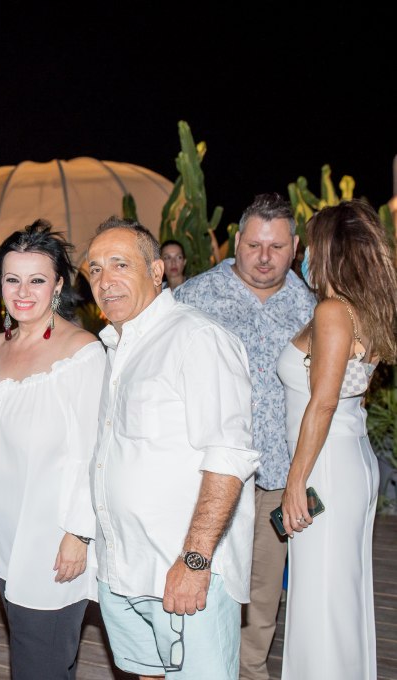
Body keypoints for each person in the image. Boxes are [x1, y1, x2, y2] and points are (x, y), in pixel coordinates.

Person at [86, 216, 260, 680]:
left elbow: (228, 456)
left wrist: (195, 561)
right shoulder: (115, 348)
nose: (105, 280)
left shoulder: (197, 338)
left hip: (182, 570)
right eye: (95, 269)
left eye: (120, 264)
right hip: (123, 569)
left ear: (157, 271)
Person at [172, 192, 315, 680]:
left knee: (262, 593)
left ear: (294, 247)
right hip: (208, 476)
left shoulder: (309, 306)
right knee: (203, 582)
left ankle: (251, 671)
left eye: (277, 247)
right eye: (254, 245)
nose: (264, 257)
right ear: (236, 242)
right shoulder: (194, 297)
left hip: (276, 477)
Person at [0, 219, 103, 679]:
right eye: (12, 279)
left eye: (37, 280)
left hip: (52, 543)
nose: (23, 292)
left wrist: (79, 535)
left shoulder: (82, 354)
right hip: (7, 541)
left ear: (58, 285)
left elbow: (92, 452)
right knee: (40, 660)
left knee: (38, 664)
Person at [276, 199, 396, 680]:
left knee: (322, 598)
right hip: (349, 459)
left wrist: (295, 482)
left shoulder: (332, 311)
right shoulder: (362, 309)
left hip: (323, 466)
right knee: (342, 592)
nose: (303, 254)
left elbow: (323, 403)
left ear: (328, 251)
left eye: (309, 245)